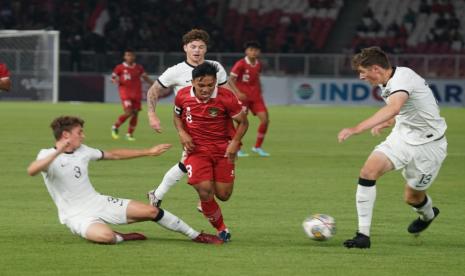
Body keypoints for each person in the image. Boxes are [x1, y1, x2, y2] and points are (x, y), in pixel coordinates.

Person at [27, 116, 223, 245]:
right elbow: (32, 170)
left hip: (98, 202)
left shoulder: (83, 151)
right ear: (66, 135)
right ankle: (121, 237)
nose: (83, 136)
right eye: (80, 133)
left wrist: (148, 151)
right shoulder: (47, 155)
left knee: (152, 210)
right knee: (105, 237)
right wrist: (60, 150)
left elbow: (113, 154)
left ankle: (196, 235)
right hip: (76, 215)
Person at [338, 47, 447, 249]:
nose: (361, 77)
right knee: (368, 172)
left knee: (412, 196)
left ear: (376, 69)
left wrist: (356, 128)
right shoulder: (387, 81)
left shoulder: (402, 79)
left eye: (363, 72)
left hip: (429, 146)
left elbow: (395, 106)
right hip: (402, 138)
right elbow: (405, 109)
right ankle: (363, 235)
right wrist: (388, 122)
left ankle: (428, 214)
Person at [146, 29, 232, 208]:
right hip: (191, 127)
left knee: (188, 163)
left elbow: (227, 93)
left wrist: (238, 106)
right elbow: (153, 90)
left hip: (217, 126)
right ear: (185, 48)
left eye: (201, 47)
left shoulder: (216, 68)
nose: (197, 50)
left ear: (206, 49)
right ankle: (203, 199)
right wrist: (151, 114)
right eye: (193, 46)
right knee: (193, 161)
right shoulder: (176, 71)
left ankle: (158, 194)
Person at [174, 62, 248, 242]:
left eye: (210, 85)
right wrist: (182, 133)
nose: (206, 89)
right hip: (196, 150)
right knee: (205, 190)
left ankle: (207, 204)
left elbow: (243, 122)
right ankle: (222, 228)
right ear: (192, 82)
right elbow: (177, 116)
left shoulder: (226, 97)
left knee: (223, 195)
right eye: (201, 85)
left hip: (223, 149)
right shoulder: (182, 96)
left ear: (216, 82)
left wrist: (234, 143)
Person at [229, 41, 270, 157]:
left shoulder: (258, 64)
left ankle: (257, 147)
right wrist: (238, 93)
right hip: (243, 97)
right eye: (251, 50)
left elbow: (257, 78)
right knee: (242, 122)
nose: (254, 52)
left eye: (256, 50)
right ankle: (237, 147)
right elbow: (230, 80)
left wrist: (260, 89)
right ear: (246, 51)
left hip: (256, 97)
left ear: (259, 52)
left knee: (265, 120)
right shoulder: (240, 64)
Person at [111, 49, 154, 141]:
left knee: (135, 114)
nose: (129, 57)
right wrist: (114, 80)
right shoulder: (120, 67)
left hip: (136, 94)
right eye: (127, 55)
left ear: (134, 57)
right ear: (124, 57)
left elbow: (145, 77)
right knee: (129, 112)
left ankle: (129, 134)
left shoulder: (139, 67)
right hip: (125, 93)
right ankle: (115, 126)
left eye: (131, 55)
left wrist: (155, 85)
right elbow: (113, 77)